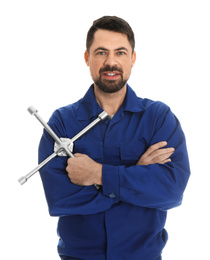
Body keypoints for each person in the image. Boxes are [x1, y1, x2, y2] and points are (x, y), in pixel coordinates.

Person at [38, 16, 190, 260]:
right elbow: (61, 200)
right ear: (87, 58)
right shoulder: (61, 124)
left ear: (132, 58)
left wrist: (97, 174)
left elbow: (171, 191)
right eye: (101, 52)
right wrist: (137, 175)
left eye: (120, 52)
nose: (111, 62)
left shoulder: (159, 118)